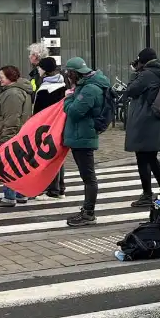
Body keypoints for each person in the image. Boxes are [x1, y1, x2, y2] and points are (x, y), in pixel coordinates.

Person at [63, 57, 110, 226]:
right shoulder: (87, 86)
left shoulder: (90, 89)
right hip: (81, 136)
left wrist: (68, 98)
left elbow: (75, 112)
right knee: (87, 176)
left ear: (74, 74)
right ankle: (87, 211)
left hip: (83, 137)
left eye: (69, 74)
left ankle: (88, 212)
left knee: (88, 177)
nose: (68, 78)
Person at [124, 48, 160, 206]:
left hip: (144, 122)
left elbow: (130, 90)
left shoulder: (146, 74)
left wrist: (134, 72)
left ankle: (147, 194)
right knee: (151, 157)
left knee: (143, 158)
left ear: (142, 61)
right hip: (156, 121)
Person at [0, 66, 35, 208]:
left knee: (9, 166)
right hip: (16, 135)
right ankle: (20, 194)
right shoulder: (12, 92)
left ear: (10, 78)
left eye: (1, 77)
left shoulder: (12, 94)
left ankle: (9, 197)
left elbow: (12, 119)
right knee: (17, 166)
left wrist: (6, 139)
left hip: (10, 136)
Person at [33, 56, 68, 199]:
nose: (38, 69)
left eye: (40, 67)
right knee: (58, 155)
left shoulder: (46, 89)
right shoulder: (62, 83)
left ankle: (52, 190)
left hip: (47, 127)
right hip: (61, 125)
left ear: (45, 70)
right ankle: (60, 188)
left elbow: (38, 111)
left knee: (48, 157)